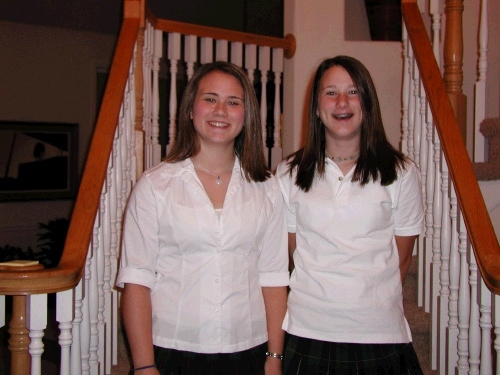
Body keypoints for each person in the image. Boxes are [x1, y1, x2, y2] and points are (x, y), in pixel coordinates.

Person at [116, 61, 289, 375]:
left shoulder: (268, 189)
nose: (221, 110)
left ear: (246, 115)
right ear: (190, 109)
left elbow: (274, 278)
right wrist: (143, 366)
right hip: (172, 352)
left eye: (233, 102)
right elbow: (137, 282)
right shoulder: (155, 186)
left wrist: (274, 359)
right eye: (210, 98)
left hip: (248, 351)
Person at [276, 56, 424, 374]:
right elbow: (294, 252)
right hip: (307, 332)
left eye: (353, 92)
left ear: (367, 103)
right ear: (316, 107)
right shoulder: (288, 173)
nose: (342, 102)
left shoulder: (402, 172)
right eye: (331, 92)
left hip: (380, 334)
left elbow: (400, 260)